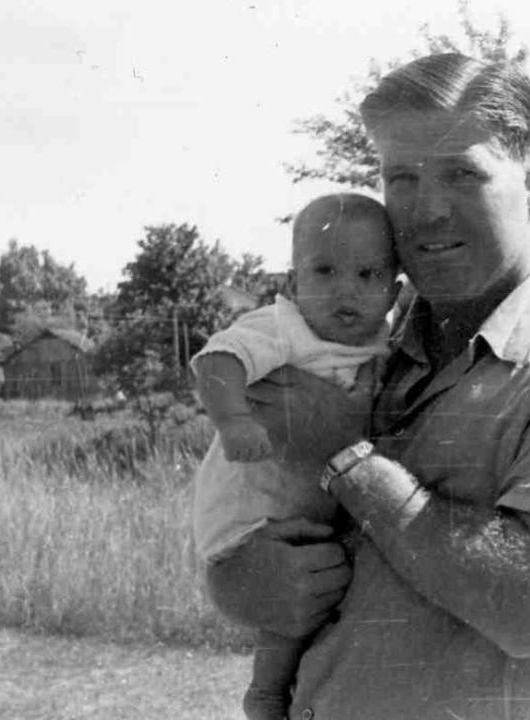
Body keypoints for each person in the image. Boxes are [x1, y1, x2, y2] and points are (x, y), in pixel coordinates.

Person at [207, 52, 530, 720]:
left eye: (462, 174)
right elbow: (240, 528)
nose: (426, 211)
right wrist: (243, 582)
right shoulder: (347, 348)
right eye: (402, 177)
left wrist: (348, 459)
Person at [191, 192, 400, 720]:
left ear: (395, 291)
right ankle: (263, 696)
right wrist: (235, 420)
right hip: (249, 507)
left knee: (308, 594)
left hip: (307, 505)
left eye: (368, 274)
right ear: (291, 285)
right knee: (288, 598)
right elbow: (217, 359)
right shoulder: (284, 327)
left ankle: (272, 695)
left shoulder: (383, 343)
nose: (346, 290)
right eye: (324, 271)